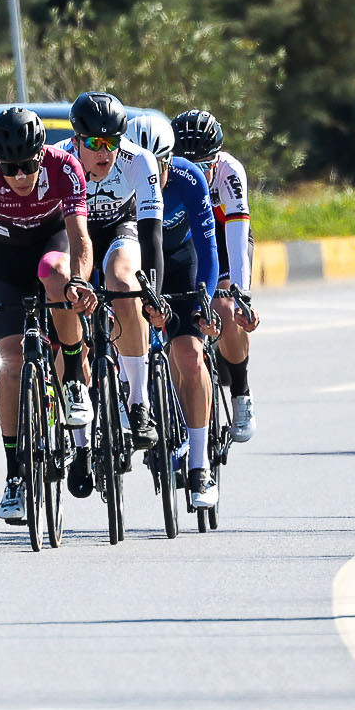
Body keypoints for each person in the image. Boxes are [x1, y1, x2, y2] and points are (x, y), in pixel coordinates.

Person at [0, 107, 96, 526]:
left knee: (55, 273)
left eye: (27, 166)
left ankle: (73, 376)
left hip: (53, 247)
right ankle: (15, 476)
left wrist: (79, 281)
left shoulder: (64, 166)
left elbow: (80, 238)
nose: (19, 176)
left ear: (41, 155)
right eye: (10, 167)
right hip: (7, 264)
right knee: (12, 364)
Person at [127, 114, 222, 511]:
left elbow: (208, 249)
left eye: (161, 164)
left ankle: (200, 466)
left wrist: (204, 303)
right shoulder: (116, 181)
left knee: (189, 355)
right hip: (135, 265)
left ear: (171, 160)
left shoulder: (188, 179)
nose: (153, 174)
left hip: (181, 264)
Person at [66, 93, 163, 453]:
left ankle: (138, 401)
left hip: (121, 227)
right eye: (95, 143)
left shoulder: (140, 161)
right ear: (77, 141)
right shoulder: (60, 160)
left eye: (111, 142)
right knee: (65, 304)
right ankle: (79, 444)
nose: (104, 152)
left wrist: (153, 293)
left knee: (123, 282)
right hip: (74, 232)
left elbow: (152, 234)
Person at [173, 109, 261, 443]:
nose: (197, 172)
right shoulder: (167, 172)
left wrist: (241, 296)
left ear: (217, 158)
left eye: (205, 164)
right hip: (187, 241)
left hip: (225, 240)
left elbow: (237, 236)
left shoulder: (229, 172)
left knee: (225, 308)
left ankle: (241, 393)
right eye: (188, 164)